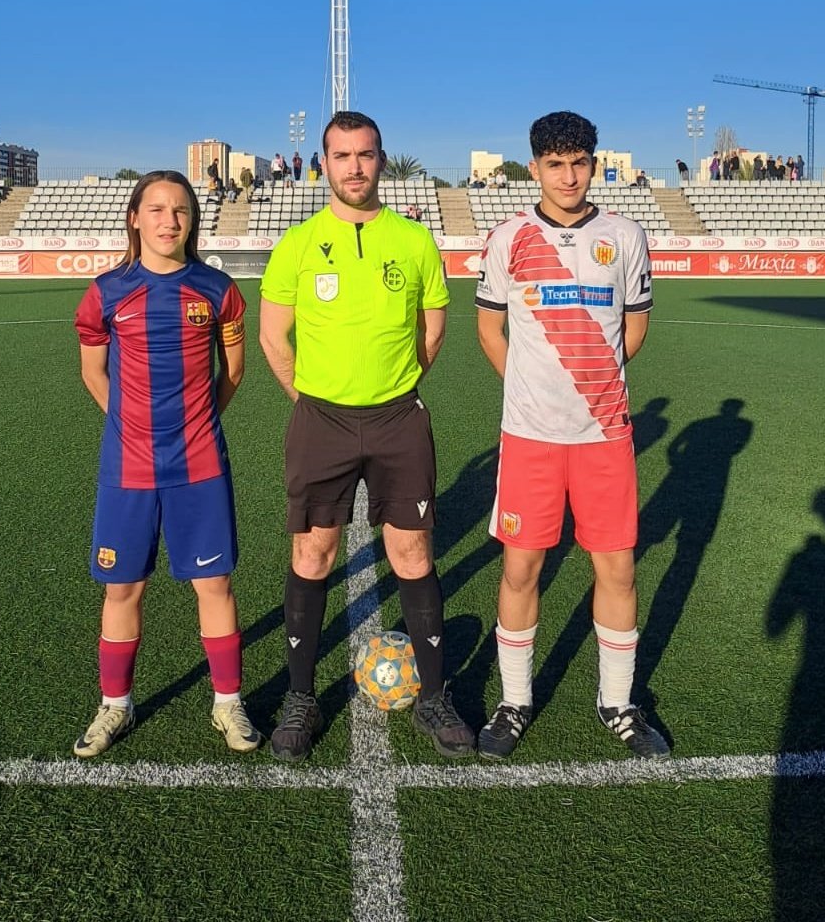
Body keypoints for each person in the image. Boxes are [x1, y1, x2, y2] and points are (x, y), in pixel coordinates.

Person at [259, 110, 474, 763]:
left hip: (398, 419)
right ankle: (301, 697)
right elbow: (273, 336)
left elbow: (432, 330)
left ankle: (433, 697)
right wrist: (312, 399)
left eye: (366, 154)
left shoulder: (414, 241)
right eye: (342, 155)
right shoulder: (298, 244)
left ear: (381, 159)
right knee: (313, 553)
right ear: (323, 163)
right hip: (319, 419)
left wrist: (395, 388)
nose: (354, 167)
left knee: (411, 552)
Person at [473, 110, 670, 762]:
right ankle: (515, 701)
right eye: (554, 164)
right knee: (521, 567)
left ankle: (618, 703)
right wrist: (530, 387)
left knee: (616, 568)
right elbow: (489, 329)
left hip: (605, 435)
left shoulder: (625, 236)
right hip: (529, 437)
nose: (568, 176)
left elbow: (633, 330)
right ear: (534, 168)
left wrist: (593, 385)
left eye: (579, 163)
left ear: (594, 164)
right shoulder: (509, 239)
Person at [71, 170, 260, 759]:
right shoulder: (106, 292)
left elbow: (233, 371)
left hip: (199, 462)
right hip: (127, 467)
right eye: (156, 209)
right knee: (122, 587)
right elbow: (93, 373)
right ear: (135, 218)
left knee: (215, 583)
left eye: (180, 210)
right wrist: (131, 425)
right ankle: (115, 705)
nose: (169, 220)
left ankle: (228, 702)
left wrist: (195, 423)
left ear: (193, 220)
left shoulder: (218, 290)